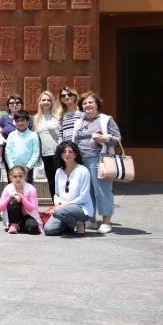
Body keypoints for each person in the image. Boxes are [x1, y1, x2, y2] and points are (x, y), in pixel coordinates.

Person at [71, 91, 121, 233]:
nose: (88, 105)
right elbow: (75, 141)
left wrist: (105, 139)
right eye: (85, 103)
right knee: (86, 191)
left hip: (99, 159)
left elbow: (118, 139)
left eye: (90, 102)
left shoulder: (105, 119)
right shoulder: (80, 122)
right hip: (81, 160)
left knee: (102, 190)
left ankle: (106, 222)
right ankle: (91, 219)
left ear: (97, 104)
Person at [43, 141, 94, 236]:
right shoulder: (59, 171)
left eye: (70, 152)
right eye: (64, 152)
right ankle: (70, 224)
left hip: (81, 208)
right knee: (48, 230)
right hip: (62, 208)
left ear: (75, 154)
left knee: (59, 211)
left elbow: (84, 196)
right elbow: (57, 194)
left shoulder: (83, 171)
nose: (67, 154)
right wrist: (58, 203)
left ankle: (79, 223)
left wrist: (65, 205)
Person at [0, 165, 41, 235]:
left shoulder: (31, 188)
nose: (18, 179)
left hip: (28, 214)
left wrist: (21, 196)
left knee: (32, 228)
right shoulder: (8, 188)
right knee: (13, 201)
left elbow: (31, 208)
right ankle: (13, 224)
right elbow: (0, 207)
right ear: (10, 178)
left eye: (20, 176)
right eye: (15, 176)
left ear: (25, 177)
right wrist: (9, 197)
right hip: (13, 214)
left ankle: (21, 225)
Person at [33, 90, 62, 190]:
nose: (46, 102)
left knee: (61, 180)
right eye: (43, 100)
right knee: (51, 181)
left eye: (48, 100)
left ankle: (63, 204)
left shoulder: (58, 116)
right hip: (46, 155)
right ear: (39, 102)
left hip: (59, 154)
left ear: (52, 101)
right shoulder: (36, 118)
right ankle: (55, 203)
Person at [4, 110, 40, 183]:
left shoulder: (33, 136)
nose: (20, 123)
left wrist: (27, 167)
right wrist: (12, 167)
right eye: (17, 121)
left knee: (27, 191)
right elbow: (8, 152)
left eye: (22, 120)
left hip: (27, 169)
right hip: (13, 169)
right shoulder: (11, 135)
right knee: (13, 191)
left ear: (28, 121)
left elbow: (36, 152)